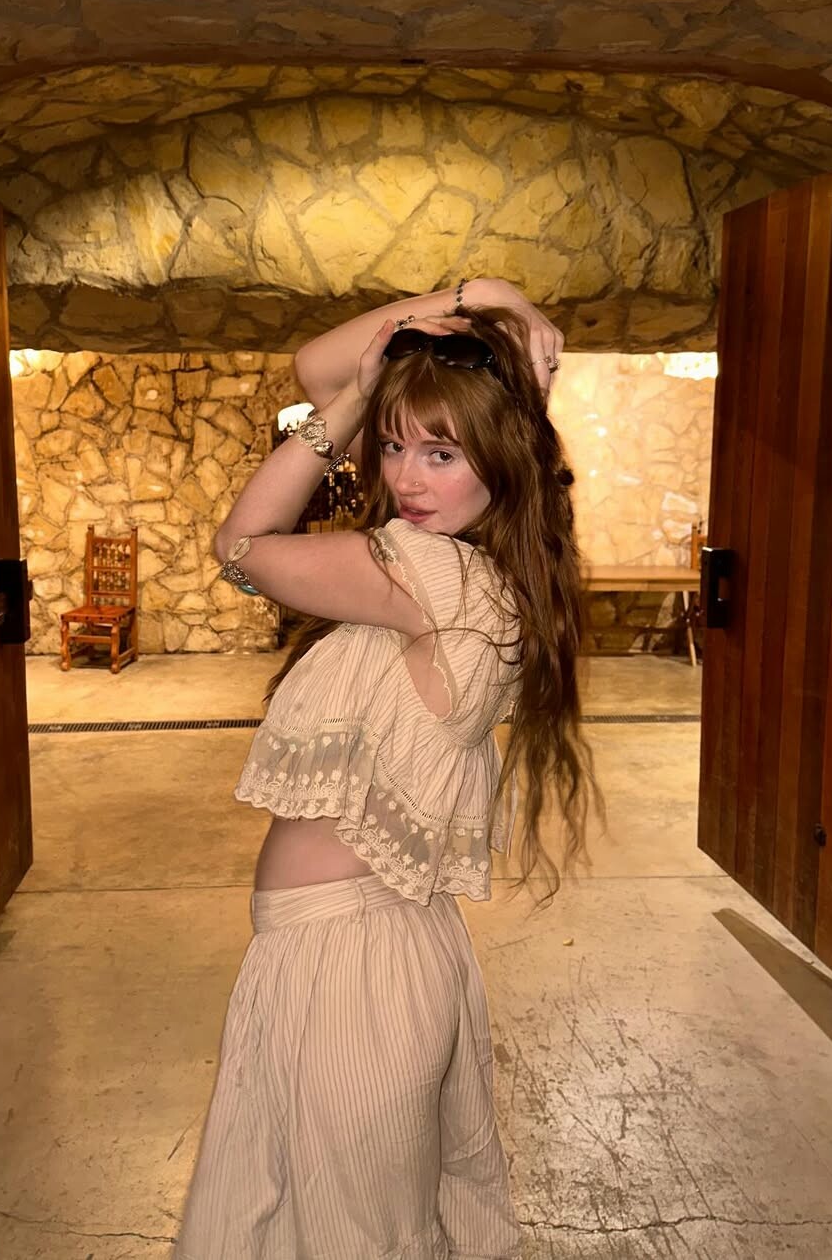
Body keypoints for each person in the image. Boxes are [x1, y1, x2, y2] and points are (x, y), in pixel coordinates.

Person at [173, 275, 603, 1260]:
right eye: (397, 445)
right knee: (343, 1224)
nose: (407, 476)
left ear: (503, 455)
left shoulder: (432, 575)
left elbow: (239, 547)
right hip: (366, 949)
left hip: (351, 968)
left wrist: (360, 402)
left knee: (337, 1234)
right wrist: (473, 297)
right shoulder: (487, 572)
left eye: (442, 453)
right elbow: (315, 365)